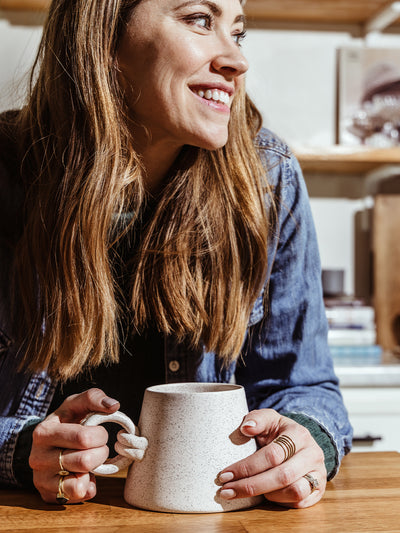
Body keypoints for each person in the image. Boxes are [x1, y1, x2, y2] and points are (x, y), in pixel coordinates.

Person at [0, 0, 352, 510]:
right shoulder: (10, 176)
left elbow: (304, 386)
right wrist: (19, 449)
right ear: (104, 36)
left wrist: (305, 443)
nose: (236, 60)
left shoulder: (266, 180)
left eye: (238, 31)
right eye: (198, 20)